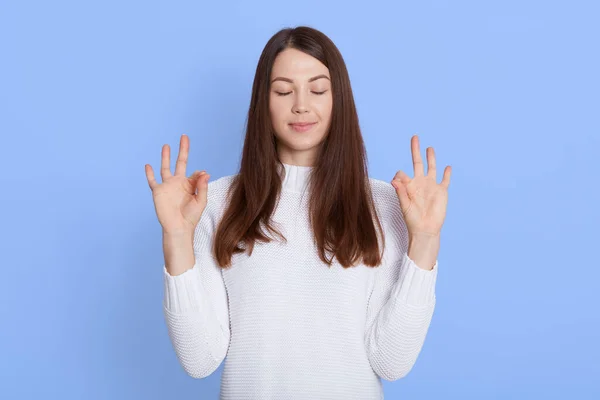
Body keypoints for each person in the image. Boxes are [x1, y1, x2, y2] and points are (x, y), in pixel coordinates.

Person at [145, 25, 451, 400]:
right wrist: (177, 237)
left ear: (339, 99)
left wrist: (426, 241)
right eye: (284, 91)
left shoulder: (386, 205)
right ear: (264, 101)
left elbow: (392, 362)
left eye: (318, 90)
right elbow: (200, 359)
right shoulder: (216, 203)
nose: (301, 105)